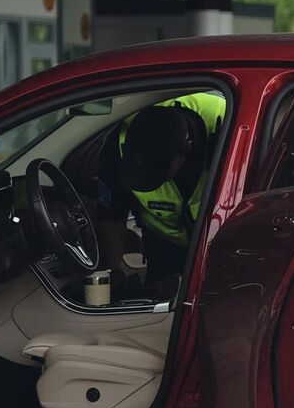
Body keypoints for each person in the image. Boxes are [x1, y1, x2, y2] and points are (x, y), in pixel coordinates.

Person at [96, 91, 227, 293]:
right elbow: (111, 216)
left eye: (155, 174)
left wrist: (182, 283)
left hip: (223, 252)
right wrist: (112, 274)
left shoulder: (230, 127)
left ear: (183, 153)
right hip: (163, 246)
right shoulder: (119, 144)